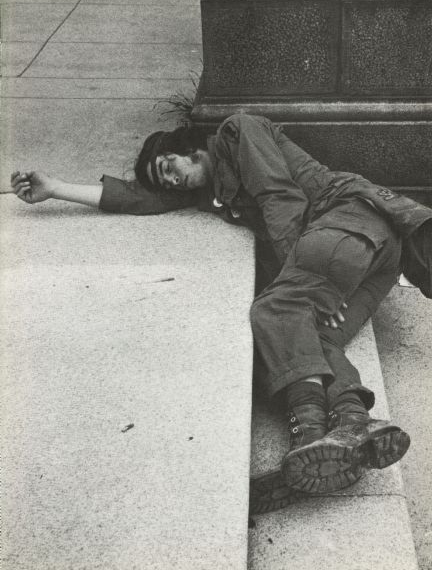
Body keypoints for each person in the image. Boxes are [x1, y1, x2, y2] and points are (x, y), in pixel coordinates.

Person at [11, 113, 432, 513]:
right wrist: (56, 188)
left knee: (273, 312)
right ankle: (355, 421)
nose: (172, 180)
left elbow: (279, 197)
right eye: (167, 180)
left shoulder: (238, 131)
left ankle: (310, 431)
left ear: (190, 147)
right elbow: (139, 198)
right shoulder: (207, 190)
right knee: (309, 339)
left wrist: (300, 286)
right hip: (373, 257)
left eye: (168, 165)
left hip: (348, 220)